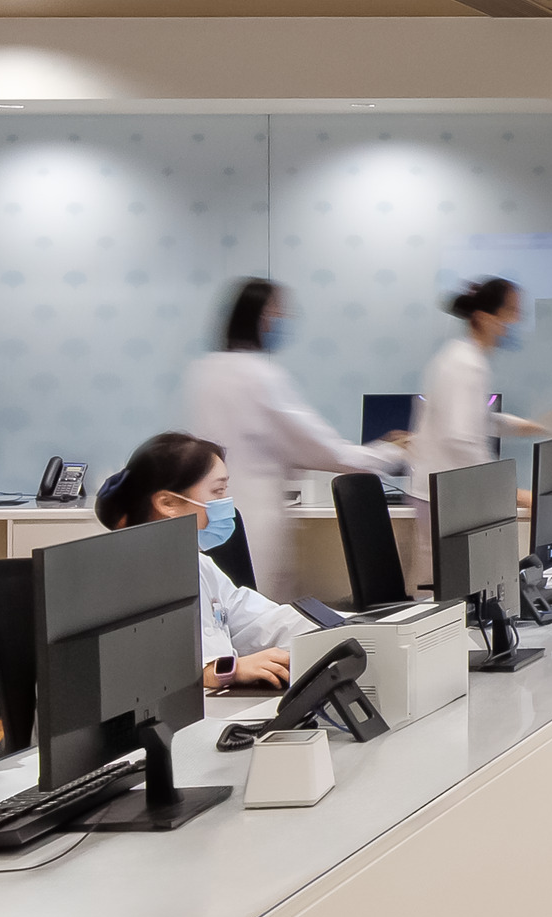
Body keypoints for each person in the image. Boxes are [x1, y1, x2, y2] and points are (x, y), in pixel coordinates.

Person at [177, 277, 404, 591]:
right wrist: (392, 452)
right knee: (255, 608)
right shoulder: (259, 376)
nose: (282, 320)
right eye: (277, 313)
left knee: (218, 606)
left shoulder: (204, 370)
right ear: (257, 317)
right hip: (255, 523)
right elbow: (322, 449)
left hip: (209, 518)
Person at [96, 431, 303, 691]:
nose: (226, 504)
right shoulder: (125, 576)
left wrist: (342, 626)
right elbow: (145, 674)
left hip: (217, 705)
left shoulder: (198, 564)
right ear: (168, 502)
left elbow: (260, 620)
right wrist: (228, 671)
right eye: (217, 491)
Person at [408, 276, 552, 549]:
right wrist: (513, 493)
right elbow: (460, 439)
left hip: (446, 496)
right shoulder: (465, 365)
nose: (516, 321)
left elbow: (480, 421)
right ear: (485, 317)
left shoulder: (466, 358)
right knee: (446, 576)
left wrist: (538, 427)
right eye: (511, 311)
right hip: (444, 499)